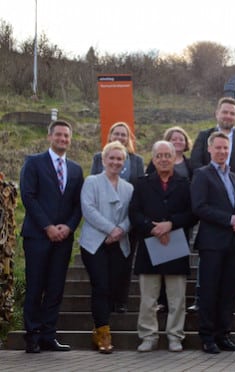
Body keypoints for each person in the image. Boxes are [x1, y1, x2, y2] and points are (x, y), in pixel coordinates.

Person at [190, 97, 235, 314]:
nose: (228, 116)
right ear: (217, 114)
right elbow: (195, 163)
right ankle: (201, 299)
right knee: (209, 268)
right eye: (225, 112)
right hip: (212, 206)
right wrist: (217, 178)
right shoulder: (204, 136)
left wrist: (230, 178)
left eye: (232, 113)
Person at [20, 120, 84, 353]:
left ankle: (49, 335)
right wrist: (47, 226)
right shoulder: (34, 163)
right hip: (37, 236)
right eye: (58, 135)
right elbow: (28, 196)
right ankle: (32, 336)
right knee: (35, 286)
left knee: (56, 288)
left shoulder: (76, 170)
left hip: (63, 239)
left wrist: (68, 227)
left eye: (66, 136)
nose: (63, 139)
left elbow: (78, 204)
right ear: (50, 137)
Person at [130, 141, 196, 352]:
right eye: (159, 156)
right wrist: (152, 228)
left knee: (177, 298)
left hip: (175, 245)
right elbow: (134, 213)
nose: (164, 159)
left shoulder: (185, 183)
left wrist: (171, 224)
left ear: (174, 157)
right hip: (150, 245)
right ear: (153, 158)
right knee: (148, 298)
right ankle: (148, 336)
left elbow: (192, 213)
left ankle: (175, 336)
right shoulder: (141, 183)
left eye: (168, 155)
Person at [192, 132, 235, 354]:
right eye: (218, 148)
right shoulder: (201, 174)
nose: (222, 152)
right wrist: (228, 220)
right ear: (210, 149)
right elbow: (199, 207)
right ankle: (207, 337)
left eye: (226, 148)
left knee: (227, 292)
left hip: (233, 243)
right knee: (209, 291)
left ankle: (224, 334)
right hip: (212, 243)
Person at [79, 141, 134, 354]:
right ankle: (102, 332)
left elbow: (132, 214)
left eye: (119, 159)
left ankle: (103, 325)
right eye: (111, 158)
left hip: (119, 243)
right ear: (103, 160)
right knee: (100, 286)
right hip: (94, 244)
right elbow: (88, 209)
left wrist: (120, 230)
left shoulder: (128, 188)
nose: (115, 162)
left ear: (124, 162)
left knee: (112, 286)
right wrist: (111, 229)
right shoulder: (91, 182)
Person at [91, 121, 144, 313]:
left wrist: (125, 225)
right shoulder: (99, 158)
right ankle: (104, 301)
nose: (120, 137)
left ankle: (121, 301)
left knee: (124, 263)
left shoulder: (136, 160)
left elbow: (140, 191)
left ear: (128, 138)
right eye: (117, 134)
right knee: (103, 266)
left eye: (124, 134)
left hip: (127, 222)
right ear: (110, 136)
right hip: (102, 223)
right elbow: (92, 187)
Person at [146, 127, 195, 313]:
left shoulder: (189, 166)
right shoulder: (154, 165)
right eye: (174, 138)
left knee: (176, 266)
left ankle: (171, 302)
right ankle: (161, 299)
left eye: (181, 138)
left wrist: (174, 223)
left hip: (179, 221)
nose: (178, 141)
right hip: (157, 225)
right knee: (158, 264)